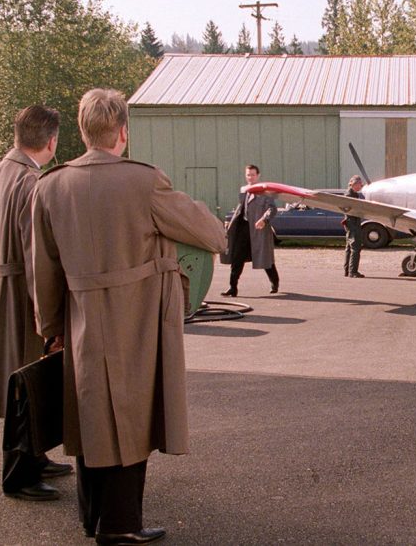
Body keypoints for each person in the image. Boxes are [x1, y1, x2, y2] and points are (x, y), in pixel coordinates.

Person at [30, 88, 226, 544]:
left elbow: (44, 267)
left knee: (89, 416)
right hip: (135, 318)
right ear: (123, 132)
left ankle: (93, 517)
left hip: (79, 318)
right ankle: (119, 525)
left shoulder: (51, 185)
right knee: (131, 419)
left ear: (81, 131)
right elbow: (211, 234)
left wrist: (51, 328)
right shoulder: (144, 180)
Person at [0, 105, 72, 502]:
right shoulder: (32, 182)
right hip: (22, 292)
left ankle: (35, 455)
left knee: (22, 377)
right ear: (51, 141)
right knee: (26, 382)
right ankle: (19, 473)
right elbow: (39, 255)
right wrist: (50, 316)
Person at [221, 164, 280, 296]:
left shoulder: (265, 192)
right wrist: (231, 223)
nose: (250, 177)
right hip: (244, 228)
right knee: (237, 257)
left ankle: (274, 282)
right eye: (248, 175)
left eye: (253, 175)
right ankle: (233, 287)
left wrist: (264, 220)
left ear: (258, 176)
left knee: (264, 258)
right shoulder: (244, 190)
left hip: (259, 230)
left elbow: (272, 209)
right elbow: (240, 208)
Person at [343, 175, 366, 278]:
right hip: (352, 222)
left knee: (349, 247)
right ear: (354, 184)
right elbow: (351, 209)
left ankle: (348, 271)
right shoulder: (349, 194)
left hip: (351, 222)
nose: (361, 186)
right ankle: (353, 271)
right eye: (360, 184)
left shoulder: (353, 194)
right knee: (355, 247)